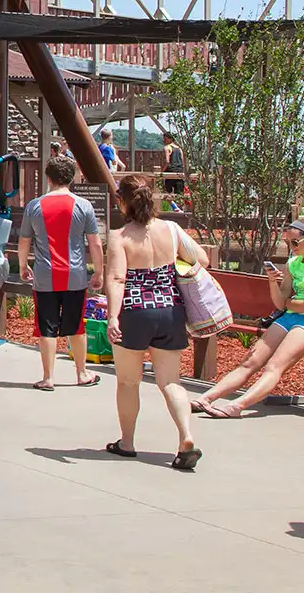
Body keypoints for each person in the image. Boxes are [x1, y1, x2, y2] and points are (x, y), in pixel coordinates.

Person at [103, 173, 208, 470]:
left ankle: (126, 443)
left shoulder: (120, 237)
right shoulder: (171, 230)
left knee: (127, 381)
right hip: (170, 310)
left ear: (121, 202)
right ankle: (186, 436)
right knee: (171, 381)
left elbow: (117, 277)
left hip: (135, 312)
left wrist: (112, 315)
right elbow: (202, 259)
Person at [194, 218, 304, 418]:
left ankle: (237, 406)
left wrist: (289, 303)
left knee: (274, 366)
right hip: (291, 316)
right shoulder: (293, 263)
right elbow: (281, 303)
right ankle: (206, 398)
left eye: (295, 243)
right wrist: (273, 282)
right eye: (289, 243)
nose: (292, 247)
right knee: (250, 361)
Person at [16, 155, 103, 390]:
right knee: (76, 326)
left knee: (47, 327)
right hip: (75, 275)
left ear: (48, 178)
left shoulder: (34, 206)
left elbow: (24, 241)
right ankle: (82, 373)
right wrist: (98, 272)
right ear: (71, 177)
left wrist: (23, 266)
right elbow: (94, 243)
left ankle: (48, 377)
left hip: (45, 275)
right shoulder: (83, 205)